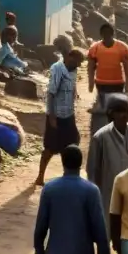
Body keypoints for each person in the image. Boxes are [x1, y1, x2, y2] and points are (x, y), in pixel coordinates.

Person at [87, 96, 128, 221]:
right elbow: (92, 172)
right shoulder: (100, 138)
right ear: (111, 115)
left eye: (126, 112)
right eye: (120, 112)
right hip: (107, 197)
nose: (124, 116)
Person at [37, 48, 84, 186]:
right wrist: (52, 116)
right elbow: (51, 94)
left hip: (68, 113)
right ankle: (40, 177)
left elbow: (73, 85)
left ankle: (68, 174)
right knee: (50, 147)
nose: (79, 65)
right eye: (78, 61)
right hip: (56, 115)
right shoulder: (57, 69)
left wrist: (75, 95)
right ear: (70, 57)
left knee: (72, 142)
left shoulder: (73, 70)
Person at [87, 24, 128, 104]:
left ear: (112, 34)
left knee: (115, 107)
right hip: (101, 84)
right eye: (104, 33)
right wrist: (91, 84)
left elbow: (127, 69)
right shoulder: (95, 48)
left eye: (108, 33)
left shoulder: (122, 47)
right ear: (101, 34)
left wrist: (127, 86)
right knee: (104, 107)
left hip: (117, 83)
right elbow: (90, 68)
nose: (106, 35)